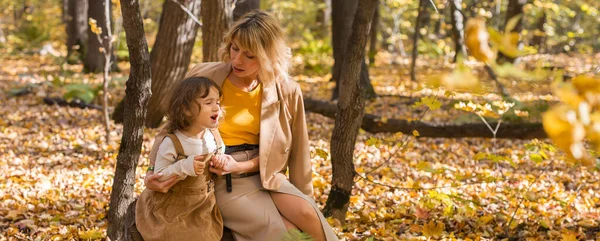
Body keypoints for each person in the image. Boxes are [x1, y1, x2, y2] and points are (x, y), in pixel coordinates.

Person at [143, 10, 338, 241]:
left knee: (308, 215)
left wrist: (304, 195)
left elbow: (299, 152)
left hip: (266, 174)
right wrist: (152, 172)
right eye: (235, 49)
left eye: (249, 55)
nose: (237, 60)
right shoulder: (205, 75)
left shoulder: (287, 90)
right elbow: (173, 126)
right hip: (221, 179)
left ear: (268, 55)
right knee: (286, 233)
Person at [135, 77, 227, 241]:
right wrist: (184, 166)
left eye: (218, 102)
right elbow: (160, 174)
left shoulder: (213, 135)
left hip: (202, 204)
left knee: (204, 235)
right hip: (171, 207)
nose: (216, 108)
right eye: (208, 103)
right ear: (186, 110)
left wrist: (221, 158)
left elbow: (221, 150)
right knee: (172, 235)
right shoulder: (173, 142)